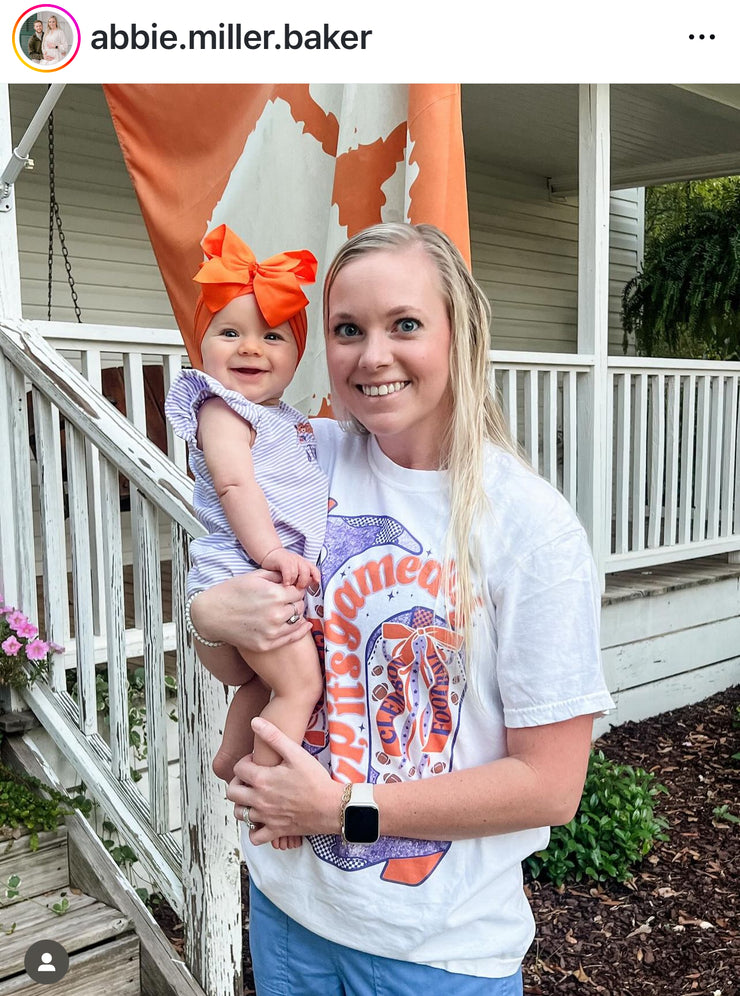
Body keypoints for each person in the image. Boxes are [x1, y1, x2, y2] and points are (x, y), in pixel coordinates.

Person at [189, 222, 615, 993]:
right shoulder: (298, 457)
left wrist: (343, 809)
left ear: (461, 332)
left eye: (405, 325)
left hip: (437, 953)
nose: (371, 355)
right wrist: (207, 618)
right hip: (290, 914)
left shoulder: (530, 527)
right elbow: (234, 659)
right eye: (348, 330)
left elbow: (551, 784)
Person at [165, 225, 327, 849]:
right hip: (247, 569)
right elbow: (235, 488)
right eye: (229, 332)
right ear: (201, 345)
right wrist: (271, 553)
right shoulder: (222, 408)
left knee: (261, 684)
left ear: (295, 354)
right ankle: (267, 793)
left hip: (261, 572)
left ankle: (233, 757)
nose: (250, 348)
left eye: (272, 336)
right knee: (299, 685)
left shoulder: (285, 419)